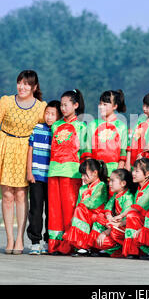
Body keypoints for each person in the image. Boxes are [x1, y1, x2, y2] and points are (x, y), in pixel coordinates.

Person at [0, 70, 47, 255]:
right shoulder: (6, 101)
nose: (22, 87)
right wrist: (3, 145)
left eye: (27, 84)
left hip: (26, 151)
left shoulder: (40, 107)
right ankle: (9, 238)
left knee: (21, 194)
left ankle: (20, 237)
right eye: (20, 83)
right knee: (7, 196)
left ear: (34, 87)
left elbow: (45, 128)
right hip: (5, 148)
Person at [47, 89, 88, 255]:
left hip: (71, 172)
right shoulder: (55, 125)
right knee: (54, 210)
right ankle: (55, 245)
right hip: (53, 171)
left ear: (75, 105)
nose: (63, 108)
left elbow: (85, 152)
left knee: (70, 209)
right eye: (61, 105)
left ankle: (70, 243)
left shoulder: (81, 126)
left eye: (66, 105)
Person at [26, 100, 62, 255]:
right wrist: (29, 171)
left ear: (58, 116)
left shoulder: (59, 131)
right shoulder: (37, 129)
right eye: (47, 113)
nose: (49, 117)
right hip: (37, 176)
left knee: (51, 210)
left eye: (53, 114)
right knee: (35, 209)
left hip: (53, 176)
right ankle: (35, 241)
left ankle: (49, 240)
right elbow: (30, 149)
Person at [116, 158, 149, 258]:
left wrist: (122, 215)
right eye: (133, 170)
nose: (133, 173)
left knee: (132, 215)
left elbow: (138, 206)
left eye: (137, 171)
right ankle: (134, 250)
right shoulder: (140, 188)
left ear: (147, 173)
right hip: (142, 220)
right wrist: (121, 222)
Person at [63, 159, 108, 256]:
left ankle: (83, 246)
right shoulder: (82, 188)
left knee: (80, 210)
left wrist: (82, 204)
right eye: (81, 175)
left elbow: (94, 203)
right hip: (86, 215)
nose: (82, 177)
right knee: (78, 211)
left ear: (95, 173)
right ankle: (81, 245)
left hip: (97, 216)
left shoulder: (101, 185)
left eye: (85, 174)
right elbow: (78, 204)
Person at [89, 169, 136, 257]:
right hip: (113, 225)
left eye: (113, 181)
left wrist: (105, 232)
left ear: (123, 183)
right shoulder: (116, 195)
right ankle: (102, 245)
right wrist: (109, 216)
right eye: (109, 181)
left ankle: (117, 247)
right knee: (98, 217)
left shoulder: (128, 197)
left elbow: (125, 221)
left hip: (121, 228)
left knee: (106, 238)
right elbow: (108, 208)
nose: (109, 184)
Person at [84, 90, 128, 176]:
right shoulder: (92, 125)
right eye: (100, 104)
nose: (101, 107)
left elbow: (123, 154)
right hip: (95, 171)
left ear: (115, 106)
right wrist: (90, 171)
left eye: (105, 104)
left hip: (115, 172)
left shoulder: (121, 126)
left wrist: (117, 174)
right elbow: (88, 152)